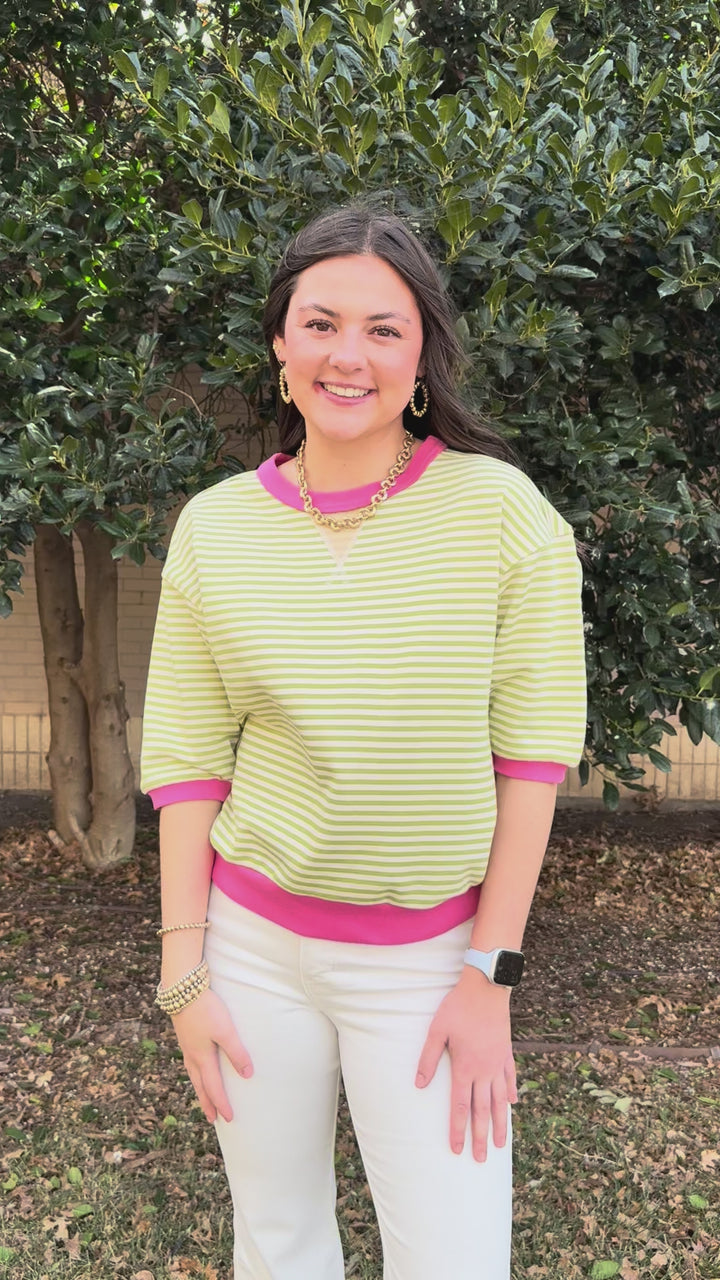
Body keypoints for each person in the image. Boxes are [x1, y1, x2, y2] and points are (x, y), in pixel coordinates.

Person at [140, 202, 587, 1280]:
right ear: (280, 344)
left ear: (422, 351)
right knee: (279, 1241)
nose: (351, 355)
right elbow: (189, 758)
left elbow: (531, 757)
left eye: (385, 328)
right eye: (322, 322)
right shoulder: (216, 525)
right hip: (251, 953)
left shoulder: (502, 514)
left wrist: (493, 975)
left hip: (432, 967)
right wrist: (183, 968)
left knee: (455, 1258)